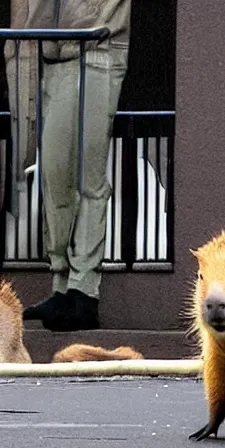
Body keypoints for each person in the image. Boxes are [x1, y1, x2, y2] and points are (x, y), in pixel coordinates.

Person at [4, 0, 132, 331]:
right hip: (51, 52)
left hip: (96, 49)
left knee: (86, 177)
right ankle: (62, 284)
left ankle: (84, 289)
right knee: (54, 176)